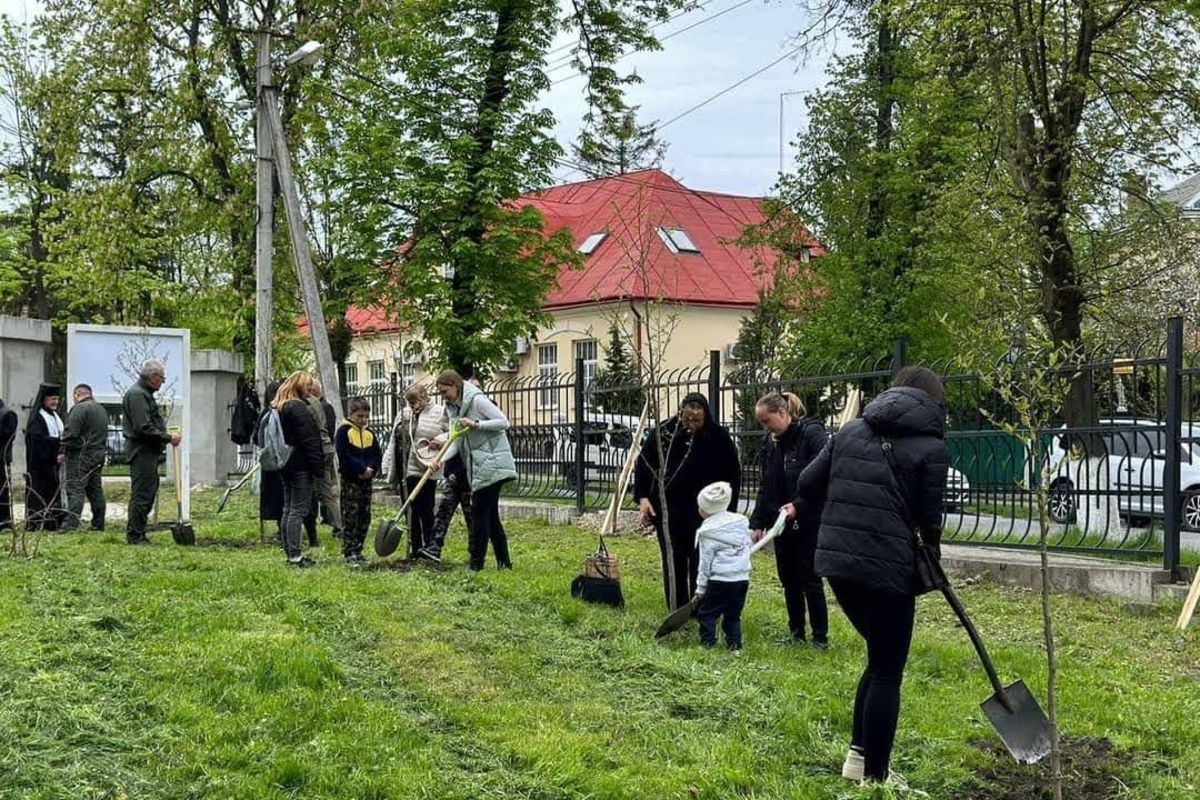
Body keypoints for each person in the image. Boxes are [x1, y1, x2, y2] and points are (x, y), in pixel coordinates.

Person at [792, 366, 950, 789]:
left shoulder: (849, 432)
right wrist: (929, 563)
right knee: (887, 669)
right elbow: (929, 523)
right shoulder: (932, 447)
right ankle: (878, 780)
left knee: (879, 658)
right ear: (934, 402)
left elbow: (807, 482)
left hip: (837, 565)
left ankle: (857, 760)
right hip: (887, 568)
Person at [634, 393, 741, 611]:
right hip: (669, 512)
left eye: (697, 420)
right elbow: (644, 465)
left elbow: (732, 476)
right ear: (681, 413)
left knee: (702, 559)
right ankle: (676, 605)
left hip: (705, 514)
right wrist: (644, 498)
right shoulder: (665, 434)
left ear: (706, 416)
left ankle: (699, 605)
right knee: (673, 559)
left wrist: (727, 512)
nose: (691, 425)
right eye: (687, 419)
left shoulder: (718, 437)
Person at [749, 391, 829, 647]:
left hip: (808, 520)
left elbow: (823, 479)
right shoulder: (772, 443)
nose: (766, 428)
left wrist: (799, 506)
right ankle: (796, 633)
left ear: (783, 414)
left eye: (767, 421)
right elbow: (766, 485)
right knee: (789, 579)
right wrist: (758, 520)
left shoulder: (812, 436)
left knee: (810, 579)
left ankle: (819, 637)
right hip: (780, 522)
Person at [431, 370, 516, 571]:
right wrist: (439, 460)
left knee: (479, 512)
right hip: (481, 465)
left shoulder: (477, 400)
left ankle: (476, 565)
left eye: (445, 391)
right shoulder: (454, 408)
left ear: (455, 385)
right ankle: (504, 563)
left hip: (494, 463)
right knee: (491, 516)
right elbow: (456, 440)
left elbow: (504, 422)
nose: (443, 396)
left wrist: (476, 424)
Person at [382, 384, 448, 559]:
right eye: (410, 403)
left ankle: (428, 546)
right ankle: (415, 546)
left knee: (426, 508)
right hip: (406, 469)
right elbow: (393, 440)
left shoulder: (439, 412)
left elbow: (450, 434)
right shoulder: (404, 414)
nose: (413, 406)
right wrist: (388, 463)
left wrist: (439, 441)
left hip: (425, 467)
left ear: (425, 397)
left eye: (416, 401)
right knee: (411, 510)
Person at [123, 361, 181, 545]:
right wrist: (166, 437)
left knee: (148, 492)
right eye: (161, 379)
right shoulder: (137, 395)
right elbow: (143, 427)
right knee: (142, 494)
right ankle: (135, 534)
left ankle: (139, 532)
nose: (162, 383)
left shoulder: (144, 394)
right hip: (141, 451)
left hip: (148, 451)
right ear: (152, 377)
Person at [275, 370, 325, 567]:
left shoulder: (279, 406)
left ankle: (290, 552)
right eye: (308, 385)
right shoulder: (298, 408)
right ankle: (295, 556)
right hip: (300, 465)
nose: (311, 389)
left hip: (285, 463)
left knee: (288, 508)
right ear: (299, 386)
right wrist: (318, 469)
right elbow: (310, 441)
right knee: (298, 509)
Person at [695, 481, 752, 652]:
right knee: (733, 616)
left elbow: (705, 562)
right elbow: (747, 546)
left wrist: (701, 587)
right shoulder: (740, 524)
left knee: (707, 613)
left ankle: (708, 644)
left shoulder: (708, 532)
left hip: (719, 579)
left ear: (705, 510)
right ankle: (735, 647)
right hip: (741, 579)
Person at [335, 396, 381, 568]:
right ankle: (349, 551)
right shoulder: (344, 432)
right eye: (360, 416)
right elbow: (344, 456)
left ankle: (359, 549)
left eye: (366, 417)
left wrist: (372, 469)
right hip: (351, 480)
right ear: (351, 414)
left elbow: (377, 455)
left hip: (367, 481)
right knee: (350, 516)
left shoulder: (370, 434)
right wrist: (361, 469)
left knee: (364, 515)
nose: (363, 420)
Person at [62, 383, 109, 531]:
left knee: (75, 488)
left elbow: (71, 434)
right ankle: (98, 523)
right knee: (95, 490)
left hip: (81, 455)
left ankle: (71, 524)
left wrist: (62, 449)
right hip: (98, 454)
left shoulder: (79, 409)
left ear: (77, 394)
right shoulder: (100, 409)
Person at [305, 380, 343, 543]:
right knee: (324, 493)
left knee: (326, 493)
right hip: (324, 452)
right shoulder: (323, 407)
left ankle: (339, 526)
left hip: (320, 453)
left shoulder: (322, 407)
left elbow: (326, 431)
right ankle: (334, 523)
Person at [25, 383, 65, 531]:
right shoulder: (38, 418)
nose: (55, 402)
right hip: (40, 466)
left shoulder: (54, 415)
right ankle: (38, 523)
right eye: (52, 399)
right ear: (44, 399)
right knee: (40, 496)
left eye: (57, 399)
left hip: (53, 465)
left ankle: (53, 522)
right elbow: (39, 442)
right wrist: (55, 451)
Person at [0, 396, 17, 531]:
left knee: (2, 491)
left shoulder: (7, 414)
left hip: (1, 458)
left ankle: (4, 521)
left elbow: (8, 436)